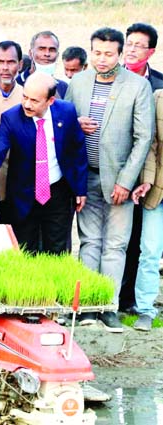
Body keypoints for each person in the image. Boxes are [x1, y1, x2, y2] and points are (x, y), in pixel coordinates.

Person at [65, 27, 155, 332]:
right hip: (85, 177)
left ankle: (109, 307)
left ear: (120, 54)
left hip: (119, 181)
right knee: (89, 242)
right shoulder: (77, 82)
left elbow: (143, 138)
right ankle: (88, 307)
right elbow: (62, 126)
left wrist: (126, 182)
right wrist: (76, 125)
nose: (102, 59)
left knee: (115, 246)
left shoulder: (136, 86)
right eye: (97, 52)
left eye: (108, 53)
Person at [0, 72, 87, 255]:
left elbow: (77, 149)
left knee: (56, 252)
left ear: (50, 101)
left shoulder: (66, 112)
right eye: (25, 97)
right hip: (24, 194)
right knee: (24, 252)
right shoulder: (12, 118)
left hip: (58, 192)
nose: (26, 104)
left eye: (34, 100)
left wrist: (80, 188)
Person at [120, 22, 163, 312]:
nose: (132, 49)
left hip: (148, 175)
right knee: (126, 239)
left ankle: (138, 300)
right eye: (129, 43)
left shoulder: (159, 85)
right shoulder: (113, 78)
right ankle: (122, 299)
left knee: (145, 243)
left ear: (151, 51)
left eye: (139, 45)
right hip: (123, 171)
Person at [130, 89, 163, 331]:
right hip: (158, 190)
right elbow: (150, 143)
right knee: (150, 250)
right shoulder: (158, 98)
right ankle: (145, 309)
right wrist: (148, 180)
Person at [0, 41, 24, 223]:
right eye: (0, 62)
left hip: (17, 179)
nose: (5, 68)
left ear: (20, 64)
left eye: (11, 62)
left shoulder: (27, 96)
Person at [16, 31, 68, 98]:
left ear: (57, 55)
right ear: (30, 53)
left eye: (52, 50)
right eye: (41, 49)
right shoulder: (17, 82)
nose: (47, 54)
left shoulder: (63, 87)